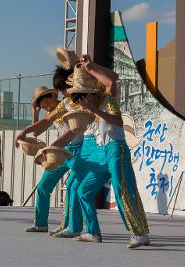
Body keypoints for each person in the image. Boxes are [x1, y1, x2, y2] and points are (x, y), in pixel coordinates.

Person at [60, 56, 150, 249]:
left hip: (117, 150)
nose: (81, 99)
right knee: (84, 191)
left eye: (84, 94)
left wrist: (92, 67)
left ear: (93, 92)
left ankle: (139, 234)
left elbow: (118, 121)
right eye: (79, 95)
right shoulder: (87, 106)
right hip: (100, 153)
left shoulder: (108, 98)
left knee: (122, 188)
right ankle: (93, 232)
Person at [16, 86, 83, 237]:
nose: (46, 106)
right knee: (43, 186)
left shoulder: (67, 103)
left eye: (47, 101)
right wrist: (35, 111)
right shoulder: (52, 113)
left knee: (72, 188)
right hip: (60, 151)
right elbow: (37, 131)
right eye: (43, 106)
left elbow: (75, 128)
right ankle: (40, 223)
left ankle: (67, 226)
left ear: (52, 96)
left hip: (79, 149)